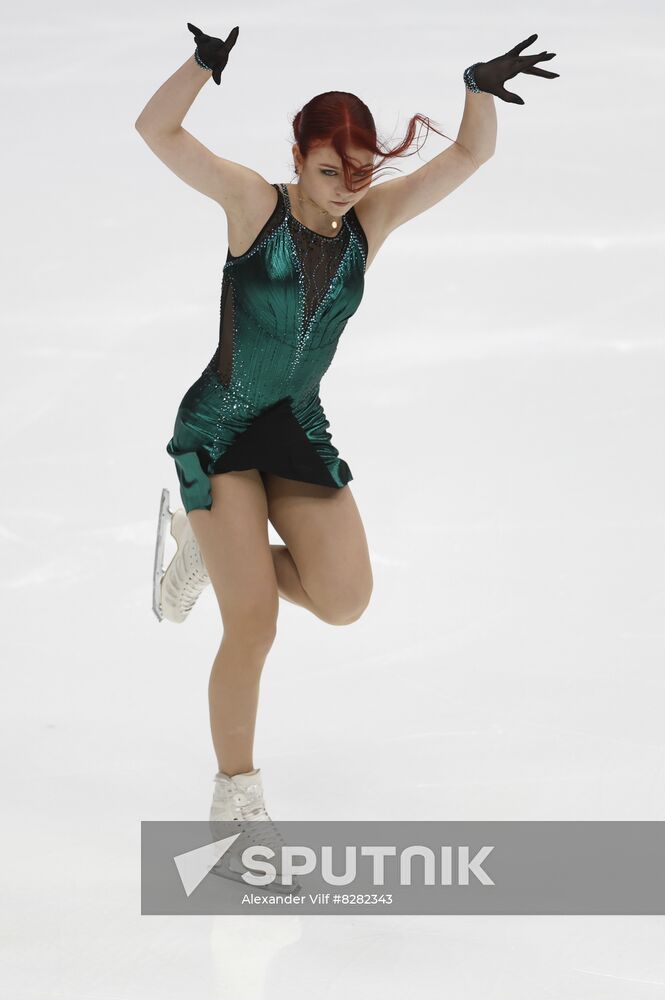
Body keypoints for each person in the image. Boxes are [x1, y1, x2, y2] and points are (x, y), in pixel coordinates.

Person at [135, 23, 558, 883]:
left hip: (296, 425)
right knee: (252, 624)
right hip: (220, 430)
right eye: (330, 171)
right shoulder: (254, 203)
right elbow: (158, 133)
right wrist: (203, 67)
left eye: (359, 171)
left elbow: (468, 155)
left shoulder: (370, 219)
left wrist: (475, 84)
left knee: (343, 598)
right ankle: (236, 805)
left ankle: (212, 554)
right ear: (297, 156)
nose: (344, 189)